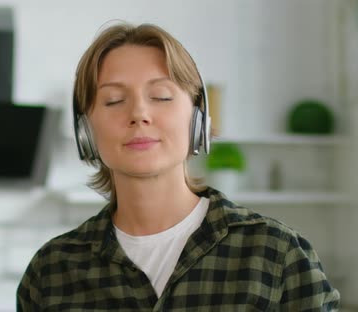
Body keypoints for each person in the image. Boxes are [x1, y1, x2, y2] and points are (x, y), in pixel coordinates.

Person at [17, 22, 340, 311]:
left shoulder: (276, 253)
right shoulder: (52, 270)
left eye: (161, 96)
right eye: (114, 100)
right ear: (86, 132)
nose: (139, 114)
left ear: (198, 120)